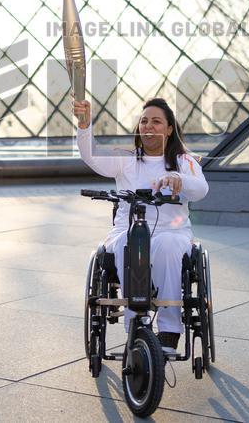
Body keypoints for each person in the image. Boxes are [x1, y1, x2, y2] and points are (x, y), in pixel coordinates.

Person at [73, 97, 208, 351]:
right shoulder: (126, 159)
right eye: (144, 121)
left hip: (172, 232)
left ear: (170, 129)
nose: (148, 126)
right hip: (127, 230)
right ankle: (136, 324)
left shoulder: (185, 161)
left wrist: (180, 179)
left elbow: (201, 189)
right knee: (130, 241)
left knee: (167, 245)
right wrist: (84, 124)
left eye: (156, 121)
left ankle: (169, 331)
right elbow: (91, 155)